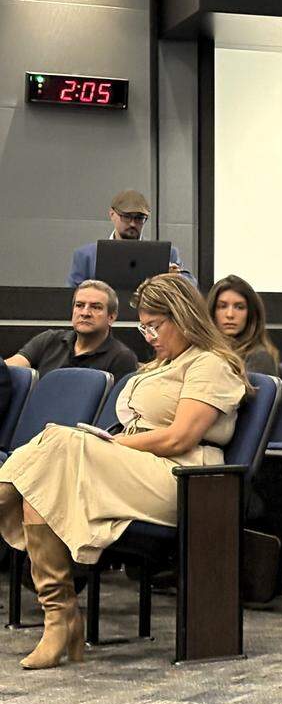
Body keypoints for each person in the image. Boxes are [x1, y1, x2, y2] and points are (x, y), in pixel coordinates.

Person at [0, 274, 248, 669]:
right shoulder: (159, 365)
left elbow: (179, 438)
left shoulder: (210, 364)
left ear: (183, 317)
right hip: (134, 466)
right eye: (143, 326)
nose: (148, 335)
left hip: (182, 478)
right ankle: (59, 618)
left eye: (155, 325)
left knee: (60, 442)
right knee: (38, 488)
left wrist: (108, 445)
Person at [5, 280, 138, 381]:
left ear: (111, 317)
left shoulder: (122, 358)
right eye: (79, 305)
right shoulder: (49, 339)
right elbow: (9, 368)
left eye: (96, 307)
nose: (85, 312)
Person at [67, 190, 195, 287]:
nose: (133, 223)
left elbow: (192, 286)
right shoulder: (85, 256)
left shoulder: (167, 254)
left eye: (139, 218)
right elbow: (72, 296)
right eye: (126, 217)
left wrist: (176, 277)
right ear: (112, 214)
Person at [206, 275, 280, 375]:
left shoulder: (260, 357)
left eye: (239, 307)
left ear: (251, 314)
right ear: (212, 312)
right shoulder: (203, 352)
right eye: (222, 307)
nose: (230, 314)